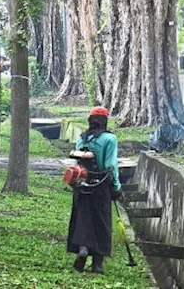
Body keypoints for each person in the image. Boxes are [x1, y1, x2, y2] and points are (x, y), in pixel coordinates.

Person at [67, 106, 121, 274]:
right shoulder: (109, 139)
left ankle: (83, 249)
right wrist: (117, 187)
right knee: (101, 222)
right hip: (101, 186)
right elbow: (110, 165)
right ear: (105, 121)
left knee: (83, 219)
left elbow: (77, 164)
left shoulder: (82, 138)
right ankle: (97, 264)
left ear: (90, 121)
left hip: (82, 185)